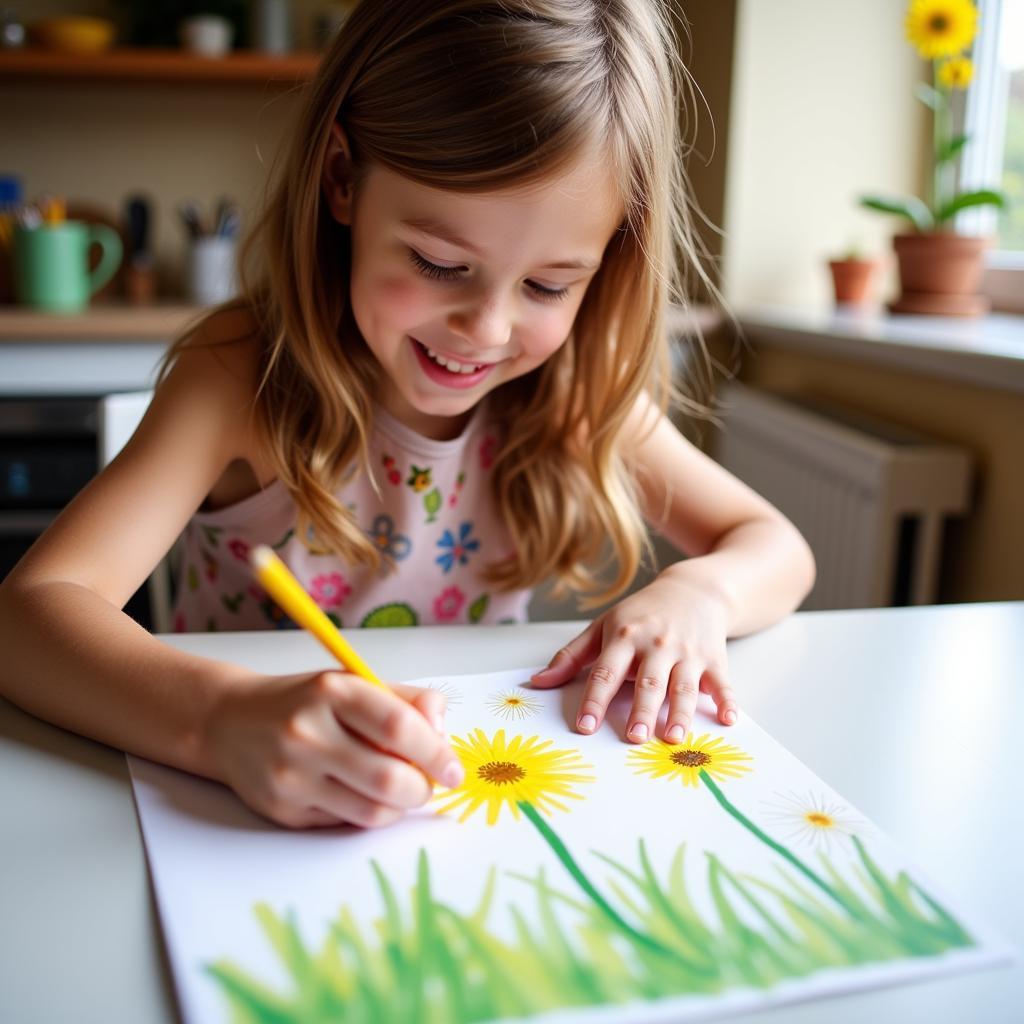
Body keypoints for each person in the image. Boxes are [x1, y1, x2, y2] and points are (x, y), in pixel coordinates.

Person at [0, 0, 814, 829]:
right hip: (246, 815)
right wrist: (217, 719)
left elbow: (774, 546)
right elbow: (28, 615)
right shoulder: (241, 374)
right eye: (439, 262)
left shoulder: (575, 389)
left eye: (548, 285)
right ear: (343, 178)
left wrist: (700, 593)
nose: (486, 331)